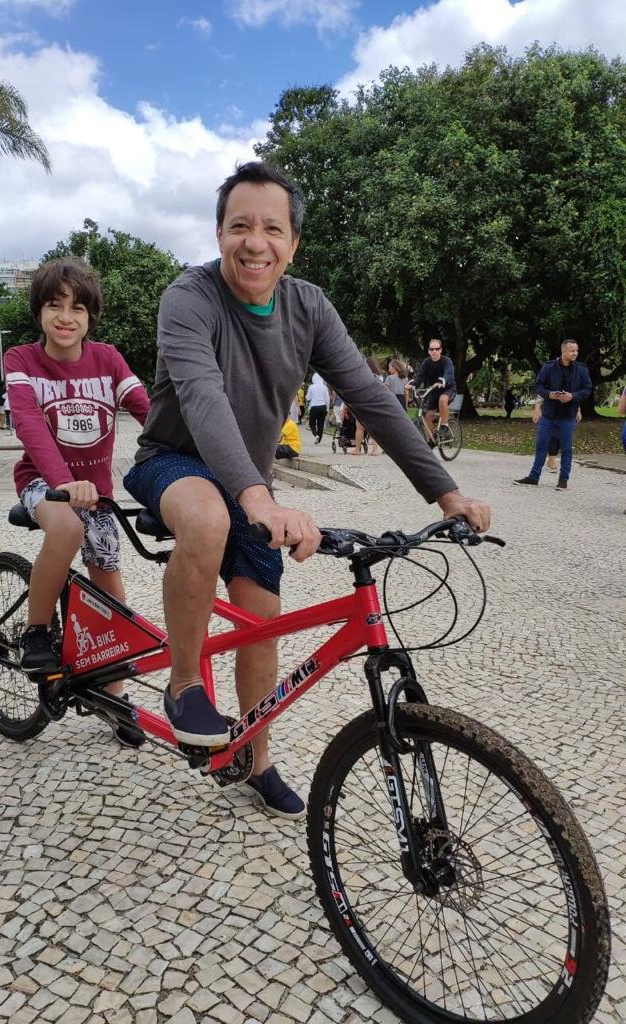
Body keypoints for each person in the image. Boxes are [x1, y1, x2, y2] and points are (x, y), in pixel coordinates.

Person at [122, 161, 490, 818]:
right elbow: (203, 399)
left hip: (250, 483)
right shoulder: (188, 298)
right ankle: (183, 685)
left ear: (292, 243)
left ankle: (256, 760)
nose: (255, 242)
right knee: (207, 519)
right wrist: (257, 497)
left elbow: (370, 398)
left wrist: (447, 493)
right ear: (219, 233)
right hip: (174, 460)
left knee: (262, 623)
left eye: (272, 229)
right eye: (240, 226)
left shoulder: (309, 306)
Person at [4, 256, 150, 746]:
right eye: (54, 305)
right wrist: (64, 482)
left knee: (109, 584)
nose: (66, 317)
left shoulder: (108, 359)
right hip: (42, 483)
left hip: (96, 494)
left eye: (78, 308)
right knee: (67, 528)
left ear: (90, 316)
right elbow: (29, 424)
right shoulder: (21, 360)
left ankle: (114, 695)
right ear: (39, 311)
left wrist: (188, 458)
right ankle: (36, 632)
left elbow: (148, 410)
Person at [515, 339, 592, 491]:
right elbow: (538, 385)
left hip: (568, 415)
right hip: (549, 415)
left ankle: (563, 480)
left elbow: (587, 390)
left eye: (576, 350)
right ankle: (533, 477)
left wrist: (572, 396)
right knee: (541, 446)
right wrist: (549, 394)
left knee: (566, 449)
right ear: (563, 351)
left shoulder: (582, 370)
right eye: (572, 351)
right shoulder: (549, 367)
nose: (575, 353)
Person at [406, 340, 456, 444]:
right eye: (432, 349)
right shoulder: (427, 362)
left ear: (441, 350)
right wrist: (412, 385)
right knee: (428, 417)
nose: (434, 351)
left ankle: (444, 426)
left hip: (448, 389)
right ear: (429, 351)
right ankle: (433, 440)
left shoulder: (447, 361)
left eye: (437, 349)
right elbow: (420, 376)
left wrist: (442, 381)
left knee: (442, 400)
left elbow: (449, 374)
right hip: (433, 391)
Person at [353, 356, 383, 456]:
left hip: (363, 402)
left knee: (359, 427)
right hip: (375, 402)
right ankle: (374, 450)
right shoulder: (379, 377)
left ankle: (357, 449)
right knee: (374, 428)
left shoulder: (362, 376)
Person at [306, 371, 329, 443]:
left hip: (314, 407)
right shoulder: (324, 387)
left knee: (312, 423)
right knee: (321, 424)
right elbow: (327, 399)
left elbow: (308, 398)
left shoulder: (311, 387)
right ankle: (319, 440)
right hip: (323, 407)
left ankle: (316, 435)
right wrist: (327, 409)